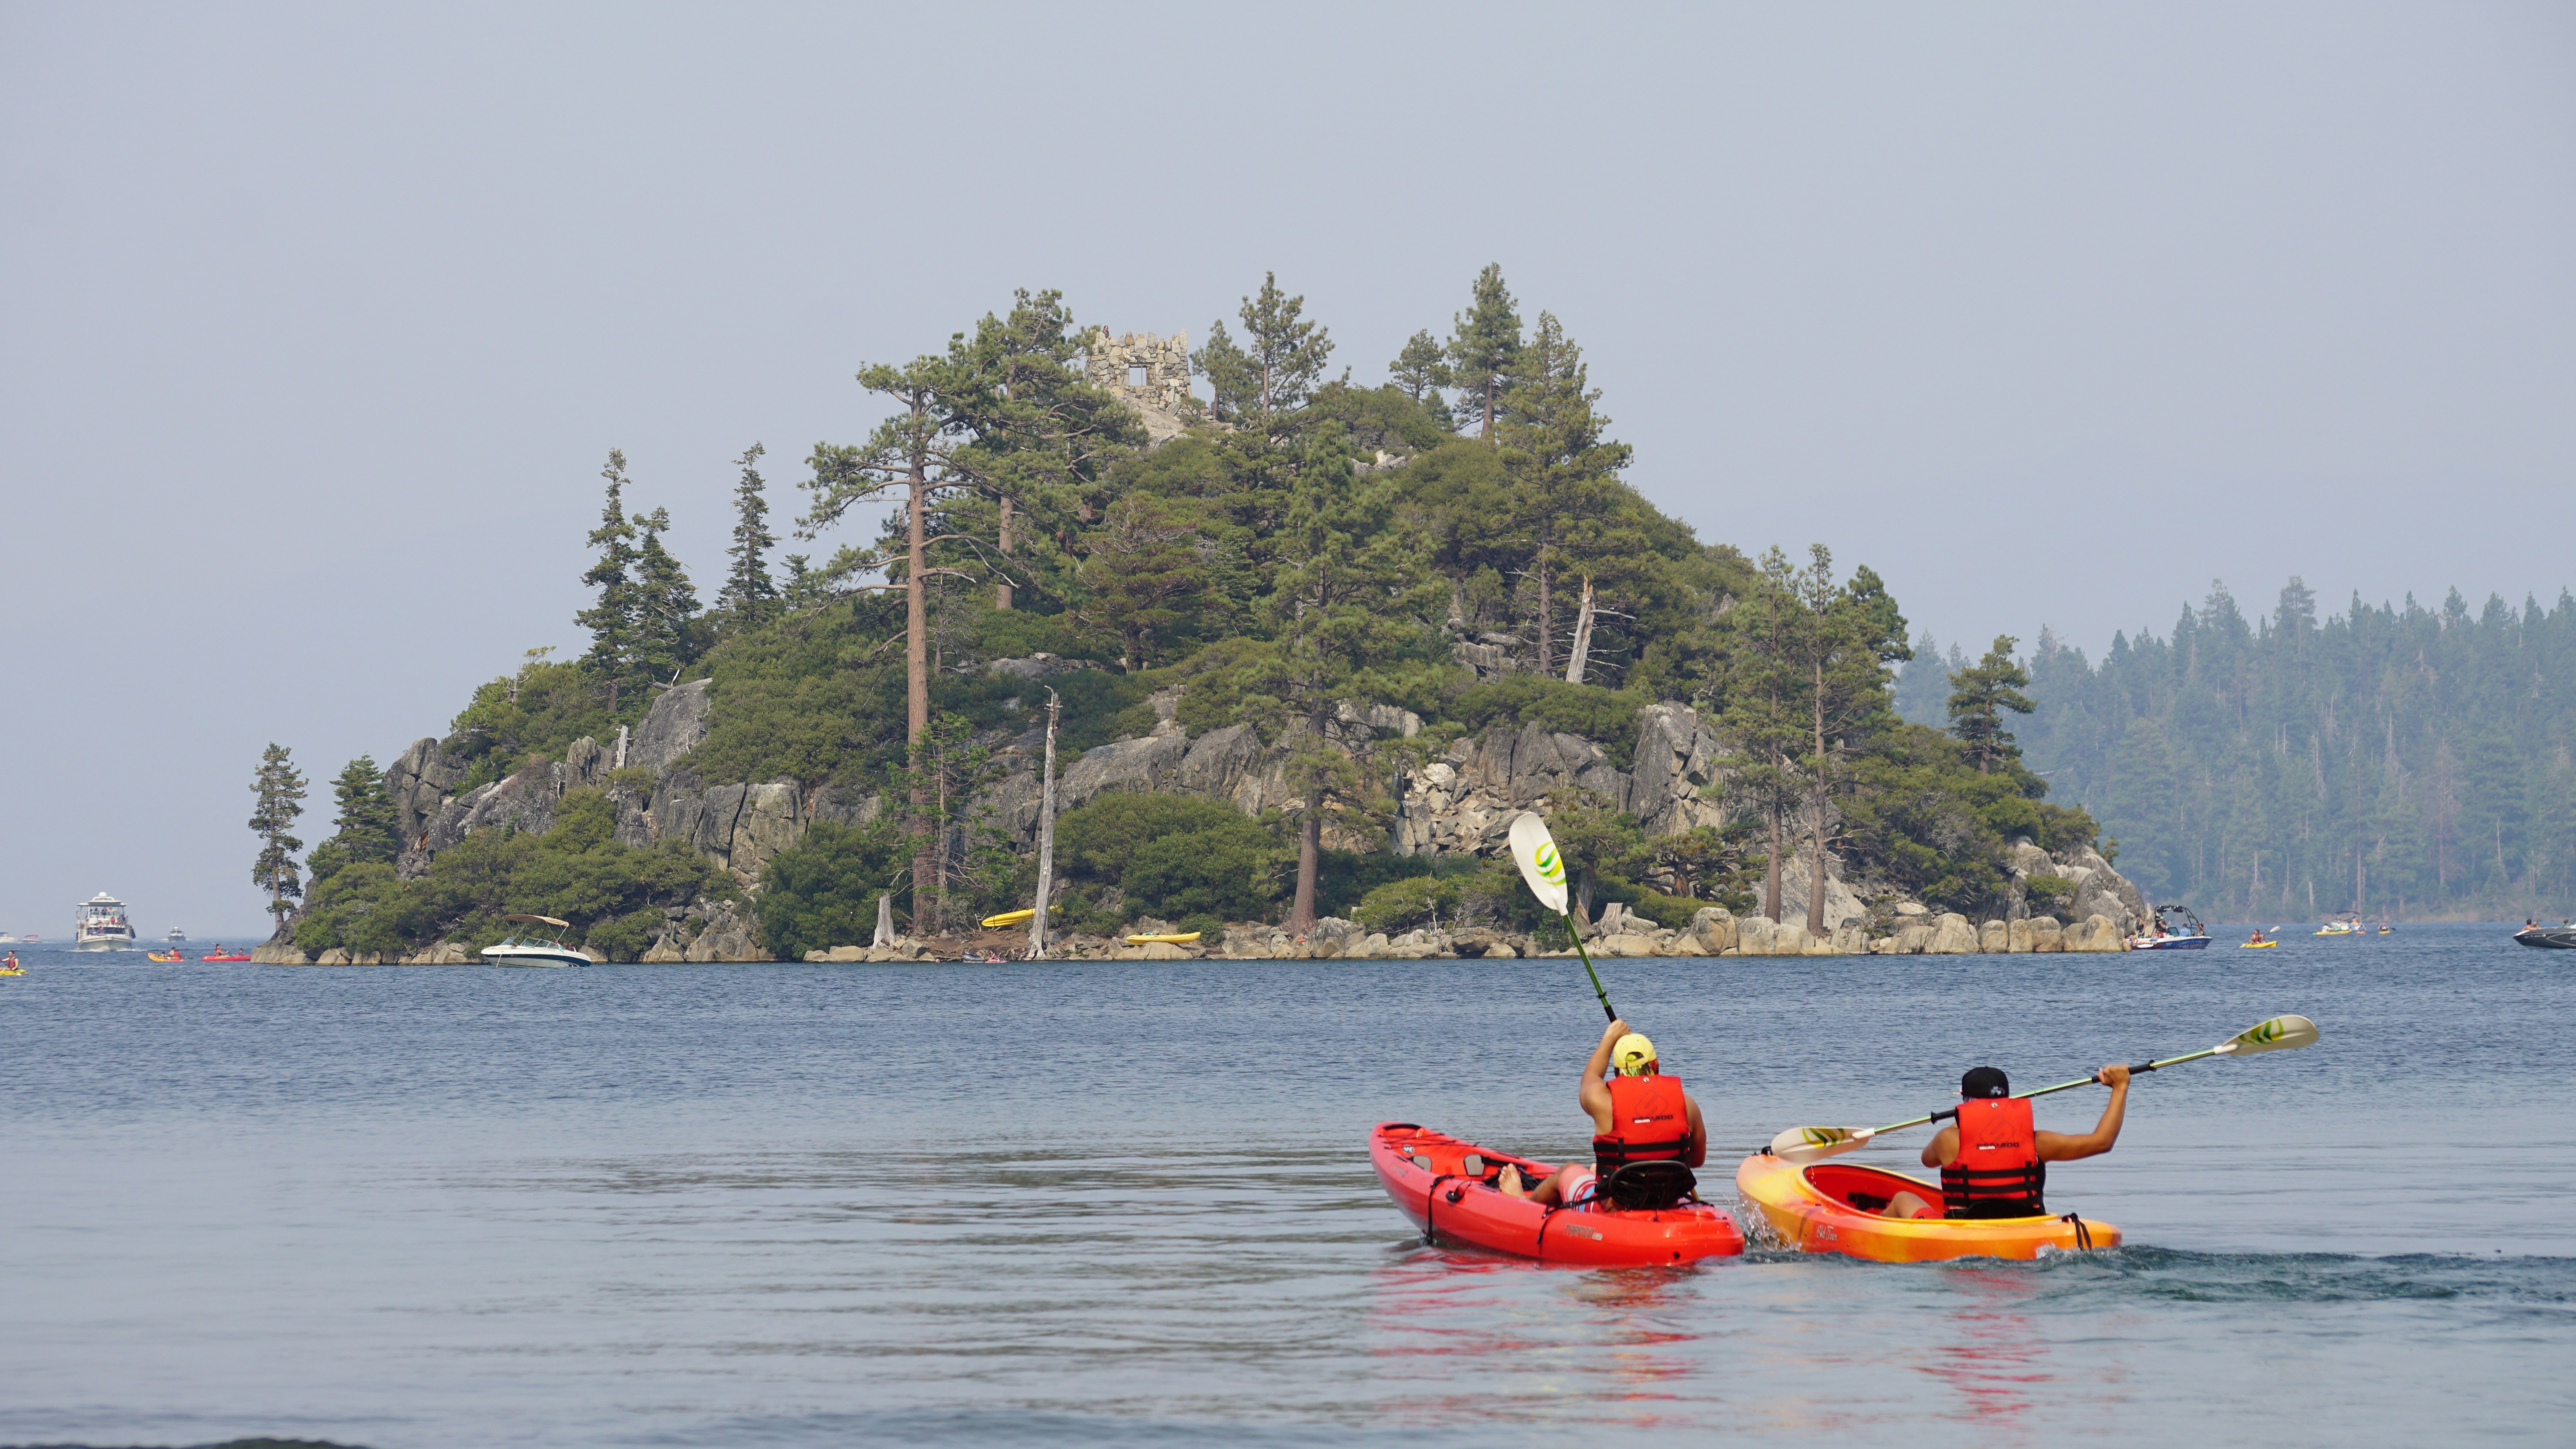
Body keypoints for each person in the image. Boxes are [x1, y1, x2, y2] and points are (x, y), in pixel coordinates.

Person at [1498, 1017, 1707, 1210]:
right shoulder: (1687, 1105)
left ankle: (1523, 1203)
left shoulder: (1604, 1102)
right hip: (1667, 1201)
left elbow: (1590, 1078)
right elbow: (1696, 1161)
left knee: (1567, 1171)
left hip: (1615, 1205)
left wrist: (1610, 1038)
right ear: (1656, 1066)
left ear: (1617, 1073)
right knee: (1598, 1169)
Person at [1883, 1063, 2132, 1220]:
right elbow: (2102, 1142)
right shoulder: (2037, 1142)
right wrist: (2120, 1087)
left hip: (1966, 1232)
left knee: (1903, 1198)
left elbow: (1926, 1161)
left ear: (1965, 1103)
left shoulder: (1947, 1141)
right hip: (2025, 1225)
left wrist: (1963, 1120)